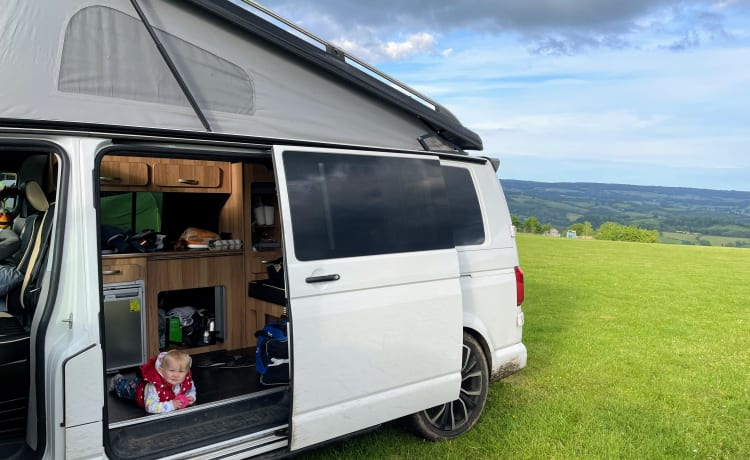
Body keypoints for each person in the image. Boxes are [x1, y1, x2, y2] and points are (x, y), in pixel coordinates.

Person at [111, 350, 196, 413]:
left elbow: (190, 389)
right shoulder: (153, 386)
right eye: (171, 370)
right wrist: (172, 405)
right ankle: (117, 380)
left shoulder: (185, 380)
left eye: (181, 371)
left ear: (186, 372)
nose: (176, 375)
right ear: (161, 371)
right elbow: (150, 407)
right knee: (125, 389)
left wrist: (190, 396)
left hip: (163, 396)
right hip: (138, 390)